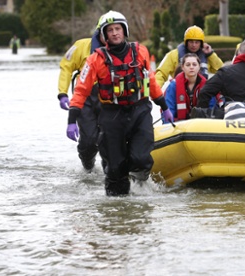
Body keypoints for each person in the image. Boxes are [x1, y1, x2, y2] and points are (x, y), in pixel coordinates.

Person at [65, 10, 173, 196]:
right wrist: (71, 120)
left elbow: (151, 81)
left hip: (139, 112)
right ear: (104, 35)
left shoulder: (141, 52)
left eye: (118, 29)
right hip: (111, 115)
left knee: (140, 159)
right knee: (115, 170)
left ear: (125, 31)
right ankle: (117, 212)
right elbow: (81, 90)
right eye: (110, 30)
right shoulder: (95, 60)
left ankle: (140, 185)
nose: (114, 33)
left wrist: (164, 106)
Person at [57, 16, 105, 172]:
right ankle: (87, 162)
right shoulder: (81, 46)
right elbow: (66, 67)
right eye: (107, 31)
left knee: (109, 137)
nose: (112, 34)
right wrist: (62, 94)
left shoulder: (122, 50)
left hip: (110, 98)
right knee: (89, 140)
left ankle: (111, 169)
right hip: (86, 99)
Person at [197, 40, 245, 108]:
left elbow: (204, 92)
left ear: (238, 54)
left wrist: (206, 114)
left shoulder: (225, 72)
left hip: (232, 121)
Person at [155, 25, 224, 88]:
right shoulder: (173, 55)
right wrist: (155, 92)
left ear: (201, 43)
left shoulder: (207, 56)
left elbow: (222, 71)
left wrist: (211, 54)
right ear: (186, 42)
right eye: (191, 42)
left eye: (196, 42)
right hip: (179, 92)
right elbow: (161, 74)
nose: (194, 45)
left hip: (200, 93)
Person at [163, 53, 209, 122]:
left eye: (194, 64)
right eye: (188, 65)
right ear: (182, 67)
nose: (191, 67)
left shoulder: (207, 86)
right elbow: (168, 109)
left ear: (199, 66)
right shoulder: (173, 86)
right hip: (178, 125)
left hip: (201, 125)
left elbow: (212, 107)